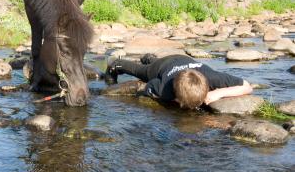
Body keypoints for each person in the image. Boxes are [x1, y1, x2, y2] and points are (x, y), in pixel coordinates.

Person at [104, 54, 253, 109]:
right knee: (140, 71)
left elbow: (247, 86)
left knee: (152, 61)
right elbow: (148, 86)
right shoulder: (164, 89)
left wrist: (218, 94)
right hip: (160, 67)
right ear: (177, 98)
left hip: (182, 59)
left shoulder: (212, 77)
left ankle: (149, 57)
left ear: (207, 85)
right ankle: (116, 64)